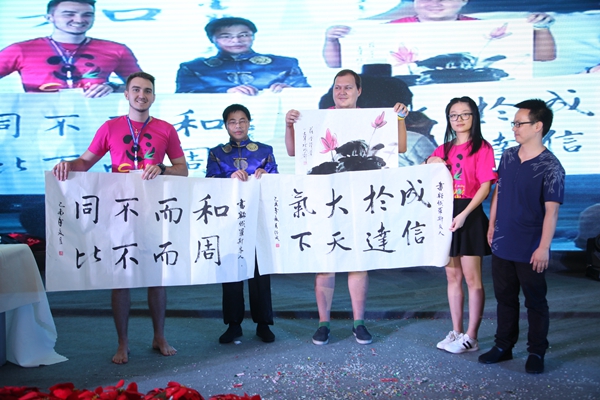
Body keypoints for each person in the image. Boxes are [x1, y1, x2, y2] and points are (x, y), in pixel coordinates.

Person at [52, 71, 188, 363]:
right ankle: (122, 343)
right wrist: (67, 164)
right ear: (126, 94)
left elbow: (182, 169)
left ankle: (159, 336)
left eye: (147, 90)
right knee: (121, 279)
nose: (142, 95)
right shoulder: (110, 127)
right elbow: (85, 162)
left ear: (154, 96)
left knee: (156, 278)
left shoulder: (166, 129)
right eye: (136, 90)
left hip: (154, 212)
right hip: (119, 212)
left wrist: (162, 168)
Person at [285, 69, 408, 345]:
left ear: (359, 91)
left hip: (361, 201)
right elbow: (294, 152)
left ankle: (359, 323)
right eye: (337, 87)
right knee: (325, 263)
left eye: (348, 87)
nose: (342, 92)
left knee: (358, 261)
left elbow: (399, 147)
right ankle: (323, 323)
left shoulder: (373, 118)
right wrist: (290, 125)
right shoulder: (318, 118)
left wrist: (399, 119)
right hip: (324, 200)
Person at [479, 99, 565, 374]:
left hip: (531, 245)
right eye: (513, 123)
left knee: (535, 301)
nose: (514, 128)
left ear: (538, 126)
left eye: (520, 123)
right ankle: (503, 346)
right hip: (503, 240)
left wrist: (544, 247)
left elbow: (552, 211)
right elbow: (499, 191)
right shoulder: (507, 155)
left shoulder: (551, 166)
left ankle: (536, 351)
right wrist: (492, 225)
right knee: (505, 297)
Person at [425, 96, 497, 354]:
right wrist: (429, 162)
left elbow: (486, 186)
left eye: (465, 114)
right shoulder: (442, 149)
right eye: (454, 115)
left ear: (474, 117)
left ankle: (472, 336)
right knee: (452, 276)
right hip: (445, 213)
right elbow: (424, 175)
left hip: (470, 214)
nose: (459, 119)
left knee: (472, 278)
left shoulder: (483, 147)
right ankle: (456, 331)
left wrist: (465, 214)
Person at [205, 103, 276, 344]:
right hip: (229, 221)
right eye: (233, 122)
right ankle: (233, 324)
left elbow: (277, 182)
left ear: (249, 123)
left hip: (257, 219)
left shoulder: (265, 151)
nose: (238, 125)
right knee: (231, 273)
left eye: (242, 120)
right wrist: (229, 177)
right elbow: (210, 183)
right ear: (226, 125)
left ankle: (263, 324)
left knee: (259, 274)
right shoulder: (216, 153)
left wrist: (267, 176)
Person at [323, 0, 557, 67]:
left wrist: (541, 28)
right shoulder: (387, 31)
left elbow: (545, 57)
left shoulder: (485, 29)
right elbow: (336, 64)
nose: (435, 2)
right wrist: (331, 40)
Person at [0, 0, 141, 97]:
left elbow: (143, 86)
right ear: (49, 18)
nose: (79, 20)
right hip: (38, 122)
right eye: (69, 14)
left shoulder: (116, 49)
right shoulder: (21, 50)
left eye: (87, 15)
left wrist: (113, 87)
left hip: (96, 122)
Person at [176, 17, 310, 94]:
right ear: (212, 39)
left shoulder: (284, 64)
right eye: (226, 36)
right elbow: (184, 98)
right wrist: (226, 92)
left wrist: (291, 92)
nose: (236, 40)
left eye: (244, 35)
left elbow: (306, 95)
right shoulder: (194, 68)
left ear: (253, 37)